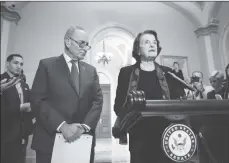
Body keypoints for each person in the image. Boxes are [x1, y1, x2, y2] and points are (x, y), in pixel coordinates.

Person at [31, 25, 103, 163]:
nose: (85, 48)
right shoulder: (47, 65)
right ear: (68, 41)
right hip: (50, 140)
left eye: (87, 45)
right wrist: (62, 126)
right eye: (81, 43)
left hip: (83, 139)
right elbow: (38, 101)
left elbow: (97, 101)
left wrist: (83, 127)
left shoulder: (91, 71)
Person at [114, 30, 185, 163]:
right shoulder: (126, 73)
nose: (152, 45)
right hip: (139, 134)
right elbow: (118, 106)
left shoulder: (168, 73)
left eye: (154, 43)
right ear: (138, 49)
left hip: (167, 133)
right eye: (147, 42)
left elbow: (179, 101)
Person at [1, 54, 34, 163]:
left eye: (21, 64)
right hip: (5, 132)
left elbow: (30, 105)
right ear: (7, 64)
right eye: (15, 63)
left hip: (22, 134)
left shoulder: (24, 85)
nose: (19, 66)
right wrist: (19, 108)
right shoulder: (1, 82)